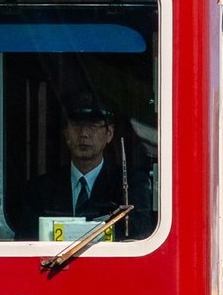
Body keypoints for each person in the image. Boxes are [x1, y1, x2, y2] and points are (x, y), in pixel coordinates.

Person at [11, 95, 154, 240]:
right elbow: (26, 241)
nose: (84, 134)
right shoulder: (40, 189)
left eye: (93, 125)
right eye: (76, 125)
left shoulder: (130, 185)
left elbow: (139, 236)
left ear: (109, 134)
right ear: (66, 133)